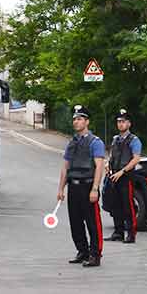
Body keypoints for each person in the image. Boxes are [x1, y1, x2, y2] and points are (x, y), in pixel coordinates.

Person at [57, 105, 107, 267]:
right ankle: (82, 251)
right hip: (74, 187)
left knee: (92, 222)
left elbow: (99, 166)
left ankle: (95, 254)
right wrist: (60, 189)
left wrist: (95, 189)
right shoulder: (72, 143)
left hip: (88, 186)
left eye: (79, 119)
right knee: (76, 222)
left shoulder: (95, 142)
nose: (76, 122)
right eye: (74, 119)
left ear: (87, 122)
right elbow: (65, 167)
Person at [106, 108, 143, 243]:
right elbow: (111, 155)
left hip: (126, 176)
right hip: (114, 175)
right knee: (115, 205)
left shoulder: (134, 140)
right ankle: (118, 232)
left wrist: (122, 171)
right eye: (119, 122)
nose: (120, 124)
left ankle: (131, 234)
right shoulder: (116, 139)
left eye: (123, 121)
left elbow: (136, 159)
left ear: (129, 124)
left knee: (127, 206)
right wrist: (107, 165)